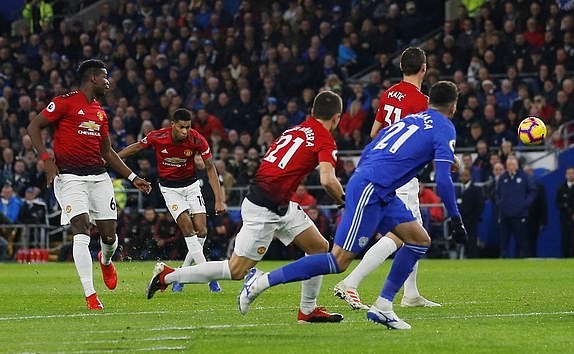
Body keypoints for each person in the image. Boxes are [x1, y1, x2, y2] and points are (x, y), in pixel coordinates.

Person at [237, 81, 467, 330]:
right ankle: (261, 282)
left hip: (379, 187)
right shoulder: (445, 127)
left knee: (418, 240)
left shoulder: (411, 119)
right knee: (338, 261)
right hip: (372, 187)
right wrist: (455, 217)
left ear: (430, 101)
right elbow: (443, 178)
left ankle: (383, 306)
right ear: (453, 107)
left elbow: (372, 145)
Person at [145, 90, 346, 323]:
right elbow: (328, 180)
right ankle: (168, 276)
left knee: (318, 247)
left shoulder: (296, 129)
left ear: (312, 111)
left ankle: (307, 311)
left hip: (278, 203)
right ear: (337, 118)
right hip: (265, 207)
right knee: (236, 271)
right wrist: (347, 202)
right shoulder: (324, 138)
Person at [26, 59, 152, 310]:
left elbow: (108, 152)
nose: (109, 82)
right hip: (70, 177)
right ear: (92, 78)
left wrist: (132, 177)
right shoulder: (64, 102)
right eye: (105, 77)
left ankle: (105, 261)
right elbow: (33, 127)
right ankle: (91, 295)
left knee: (109, 235)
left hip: (98, 178)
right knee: (81, 228)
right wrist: (46, 160)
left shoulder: (100, 112)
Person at [334, 46, 438, 310]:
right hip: (401, 173)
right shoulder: (422, 102)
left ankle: (411, 294)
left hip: (383, 167)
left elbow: (373, 132)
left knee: (416, 233)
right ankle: (351, 282)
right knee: (402, 236)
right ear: (424, 68)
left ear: (401, 68)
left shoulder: (389, 94)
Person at [118, 108, 226, 293]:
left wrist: (219, 199)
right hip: (170, 190)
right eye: (182, 127)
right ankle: (211, 279)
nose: (185, 131)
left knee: (202, 231)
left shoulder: (197, 139)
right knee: (188, 229)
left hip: (191, 187)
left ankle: (181, 277)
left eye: (188, 127)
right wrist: (114, 157)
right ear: (173, 125)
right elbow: (136, 147)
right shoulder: (158, 136)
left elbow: (210, 167)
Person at [495, 155, 537, 258]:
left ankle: (524, 261)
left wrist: (525, 204)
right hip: (505, 215)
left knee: (522, 241)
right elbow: (496, 193)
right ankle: (502, 263)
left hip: (520, 215)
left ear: (517, 165)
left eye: (513, 164)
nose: (511, 166)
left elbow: (532, 191)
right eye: (509, 164)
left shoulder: (524, 176)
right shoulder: (502, 177)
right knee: (503, 242)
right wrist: (500, 204)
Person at [556, 166, 574, 257]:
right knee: (565, 237)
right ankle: (565, 256)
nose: (571, 175)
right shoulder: (561, 187)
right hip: (565, 217)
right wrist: (565, 207)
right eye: (569, 173)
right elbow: (558, 203)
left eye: (572, 173)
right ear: (565, 175)